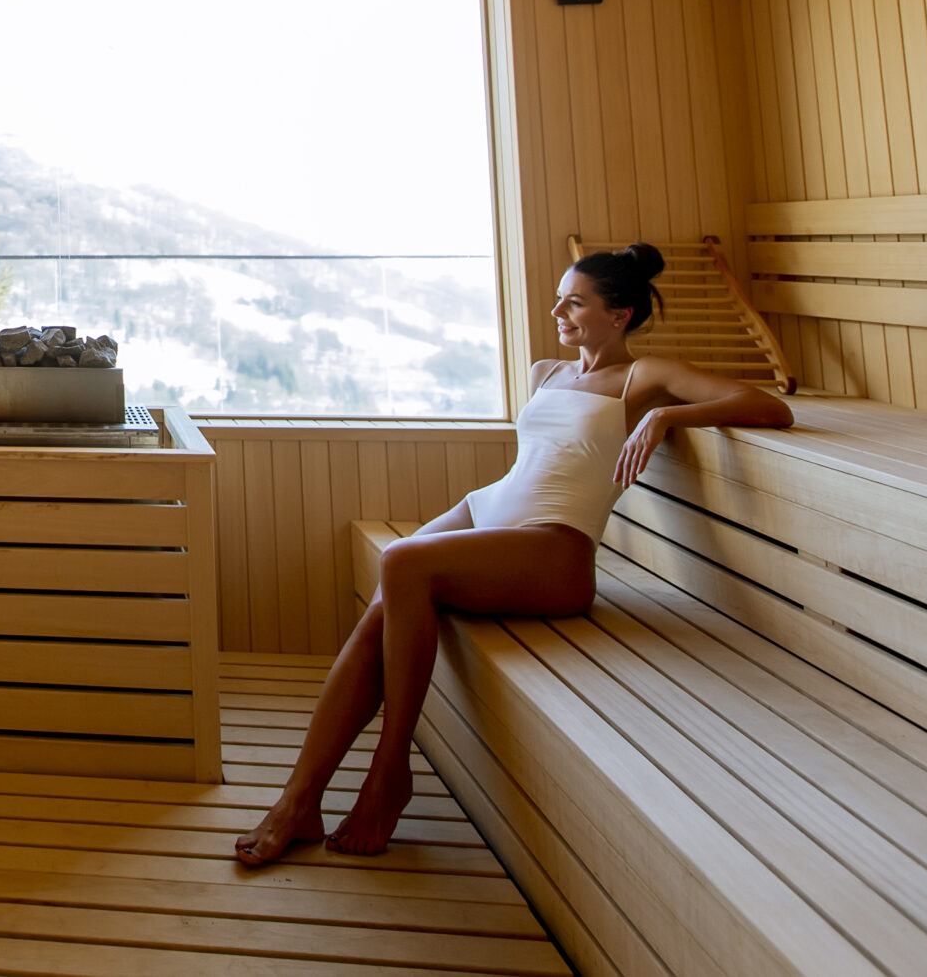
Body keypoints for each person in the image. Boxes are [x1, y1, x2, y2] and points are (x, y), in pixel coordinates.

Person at [235, 243, 791, 862]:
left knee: (400, 562)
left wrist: (664, 421)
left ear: (621, 314)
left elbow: (771, 407)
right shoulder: (546, 372)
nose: (558, 310)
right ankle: (299, 799)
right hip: (492, 509)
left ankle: (389, 774)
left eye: (576, 302)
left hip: (555, 549)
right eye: (560, 297)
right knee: (383, 606)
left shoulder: (646, 378)